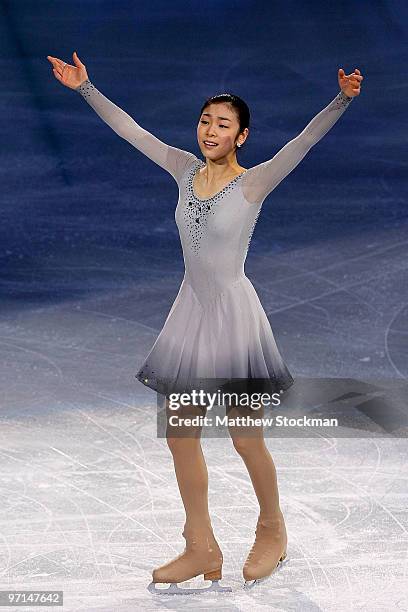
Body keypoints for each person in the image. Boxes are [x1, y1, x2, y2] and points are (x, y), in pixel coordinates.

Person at [47, 51, 363, 594]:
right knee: (180, 435)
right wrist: (85, 87)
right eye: (204, 121)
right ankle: (201, 545)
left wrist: (342, 98)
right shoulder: (182, 168)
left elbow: (304, 143)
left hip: (234, 320)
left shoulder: (254, 183)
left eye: (222, 124)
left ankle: (272, 529)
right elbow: (132, 131)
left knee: (245, 439)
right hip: (191, 312)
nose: (209, 130)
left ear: (241, 135)